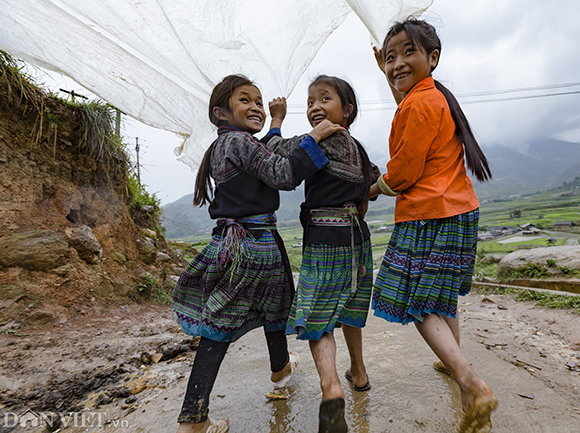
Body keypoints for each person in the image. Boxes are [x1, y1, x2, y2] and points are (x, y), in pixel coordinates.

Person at [172, 74, 344, 433]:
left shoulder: (229, 143)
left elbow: (262, 156)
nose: (255, 107)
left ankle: (280, 370)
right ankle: (192, 420)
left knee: (271, 309)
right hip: (254, 244)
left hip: (240, 243)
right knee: (222, 325)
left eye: (259, 102)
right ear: (220, 112)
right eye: (244, 100)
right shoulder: (238, 141)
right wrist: (313, 139)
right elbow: (280, 172)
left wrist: (277, 122)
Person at [369, 18, 498, 433]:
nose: (398, 63)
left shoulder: (420, 103)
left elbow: (404, 170)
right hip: (457, 209)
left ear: (433, 57)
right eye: (391, 58)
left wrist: (376, 187)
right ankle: (459, 375)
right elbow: (407, 104)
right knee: (441, 298)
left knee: (417, 303)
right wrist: (387, 75)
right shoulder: (429, 97)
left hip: (429, 214)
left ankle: (471, 381)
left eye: (409, 52)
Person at [264, 76, 379, 433]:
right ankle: (358, 374)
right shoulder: (358, 147)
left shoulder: (322, 139)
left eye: (324, 98)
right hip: (357, 238)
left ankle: (331, 387)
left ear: (347, 110)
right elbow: (371, 185)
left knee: (318, 316)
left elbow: (275, 153)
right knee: (350, 307)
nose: (314, 106)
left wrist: (278, 119)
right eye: (310, 101)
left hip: (324, 238)